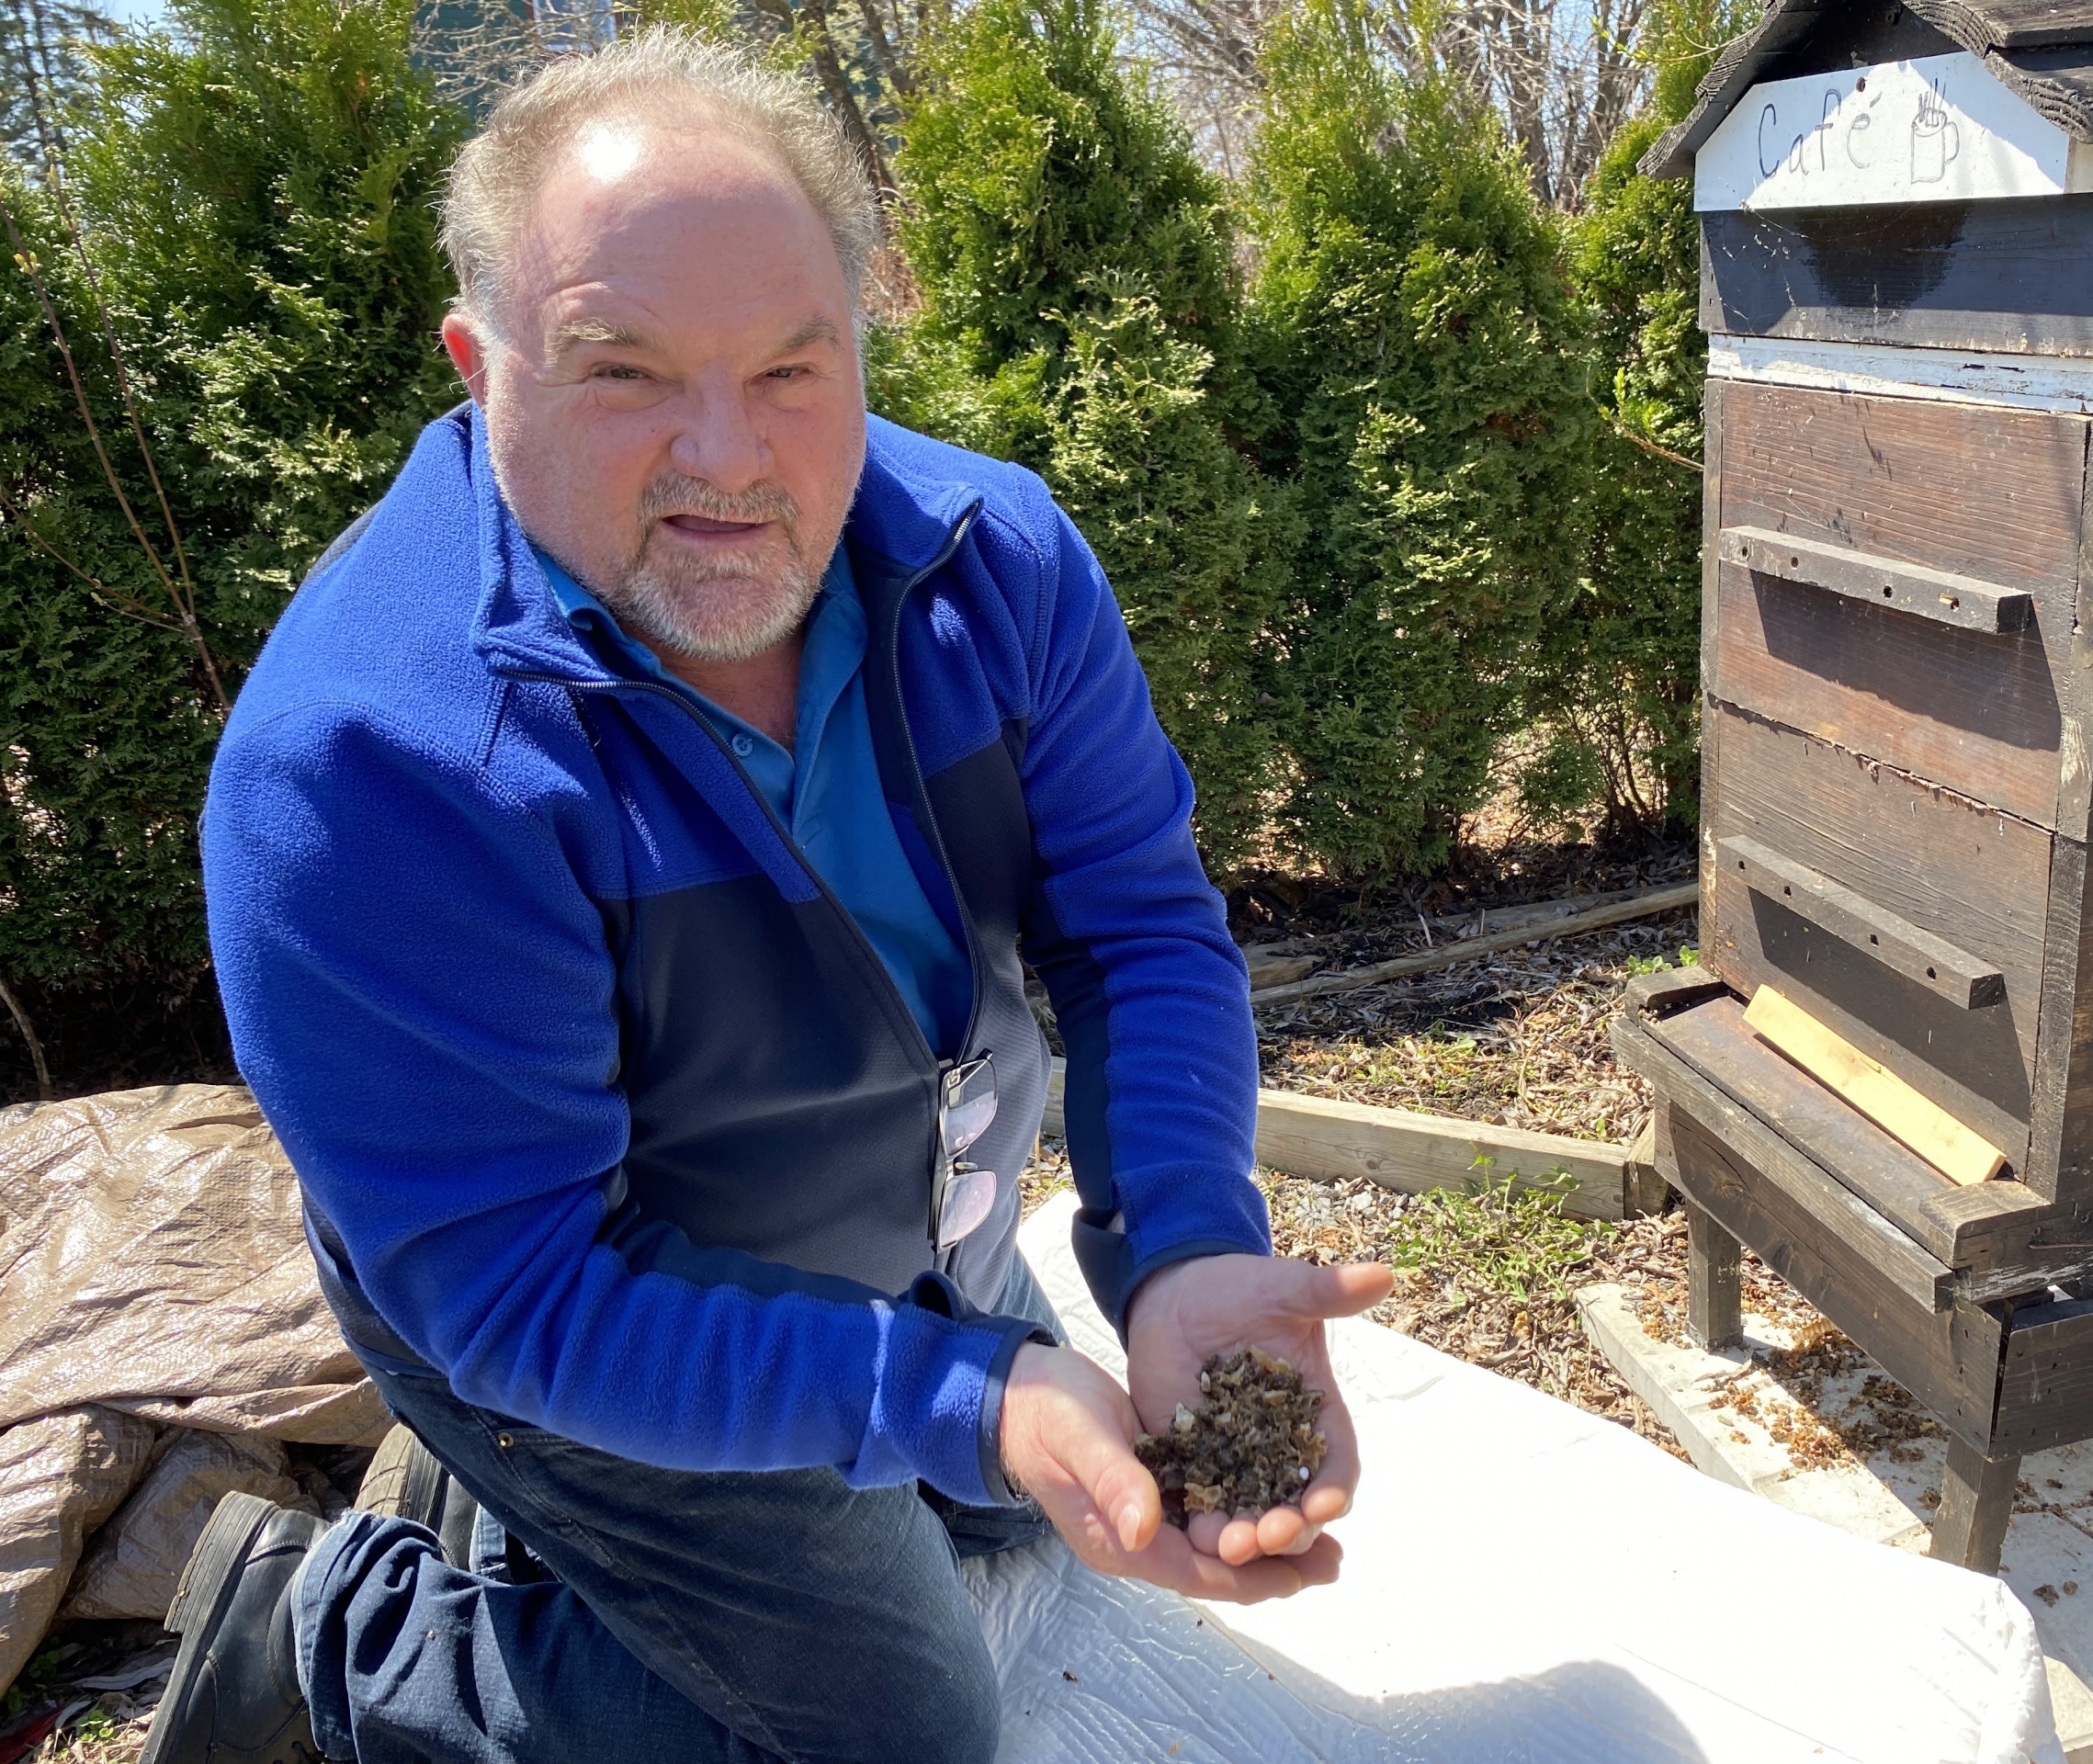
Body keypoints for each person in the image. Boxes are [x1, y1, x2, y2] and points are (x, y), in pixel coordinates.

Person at [151, 28, 1389, 1764]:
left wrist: (1186, 1242)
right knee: (893, 1730)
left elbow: (1137, 929)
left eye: (793, 370)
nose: (725, 461)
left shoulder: (999, 560)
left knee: (1028, 1499)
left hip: (893, 1224)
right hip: (564, 1290)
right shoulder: (365, 765)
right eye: (623, 372)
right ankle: (334, 1633)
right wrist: (965, 1394)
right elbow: (525, 1290)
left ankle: (574, 1509)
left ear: (860, 337)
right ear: (478, 365)